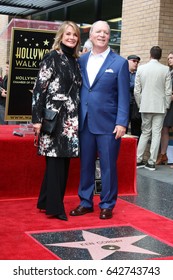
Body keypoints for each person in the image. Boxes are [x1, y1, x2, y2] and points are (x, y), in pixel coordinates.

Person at [69, 20, 130, 220]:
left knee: (108, 166)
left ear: (109, 36)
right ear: (91, 35)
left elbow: (124, 96)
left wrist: (122, 122)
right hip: (85, 122)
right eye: (98, 31)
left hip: (109, 124)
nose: (102, 35)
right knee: (85, 164)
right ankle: (85, 202)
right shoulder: (81, 60)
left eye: (106, 32)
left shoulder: (119, 63)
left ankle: (107, 204)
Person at [32, 21, 82, 221]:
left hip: (70, 120)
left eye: (75, 35)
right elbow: (38, 90)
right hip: (52, 119)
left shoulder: (75, 61)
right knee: (54, 163)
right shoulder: (52, 57)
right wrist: (37, 120)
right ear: (60, 36)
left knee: (63, 162)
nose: (71, 37)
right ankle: (55, 207)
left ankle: (45, 200)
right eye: (68, 34)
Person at [134, 46, 172, 171]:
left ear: (150, 54)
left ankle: (138, 159)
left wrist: (140, 104)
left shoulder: (141, 69)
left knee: (145, 132)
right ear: (160, 56)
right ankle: (151, 162)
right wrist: (166, 105)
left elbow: (136, 91)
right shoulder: (165, 69)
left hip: (145, 105)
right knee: (156, 133)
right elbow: (168, 91)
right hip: (160, 106)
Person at [156, 51, 173, 165]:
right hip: (168, 104)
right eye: (168, 58)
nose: (169, 60)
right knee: (164, 128)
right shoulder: (169, 72)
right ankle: (163, 155)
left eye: (172, 58)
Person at [127, 55, 142, 139]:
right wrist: (136, 85)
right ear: (128, 61)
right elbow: (124, 85)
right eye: (134, 61)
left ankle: (135, 151)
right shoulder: (123, 73)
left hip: (136, 105)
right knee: (123, 129)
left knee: (136, 131)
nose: (136, 63)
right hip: (125, 104)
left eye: (137, 62)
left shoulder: (138, 74)